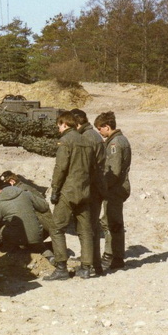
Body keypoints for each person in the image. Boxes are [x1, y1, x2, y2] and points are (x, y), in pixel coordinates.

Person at [46, 111, 99, 280]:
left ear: (65, 124)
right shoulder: (87, 141)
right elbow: (93, 169)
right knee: (85, 229)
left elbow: (61, 168)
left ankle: (61, 267)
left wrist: (55, 189)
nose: (58, 129)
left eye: (59, 125)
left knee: (56, 227)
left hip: (68, 191)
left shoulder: (65, 141)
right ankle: (86, 267)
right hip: (85, 191)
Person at [94, 111, 132, 271]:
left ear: (106, 127)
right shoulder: (121, 140)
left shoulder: (115, 144)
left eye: (100, 129)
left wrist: (102, 187)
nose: (100, 133)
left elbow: (114, 171)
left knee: (112, 222)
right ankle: (115, 255)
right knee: (110, 221)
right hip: (119, 187)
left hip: (115, 189)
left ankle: (113, 256)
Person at [73, 108, 107, 276]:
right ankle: (95, 264)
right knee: (91, 227)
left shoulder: (85, 138)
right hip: (97, 187)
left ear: (78, 123)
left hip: (91, 188)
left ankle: (92, 265)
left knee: (87, 228)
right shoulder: (94, 135)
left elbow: (84, 167)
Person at [0, 178, 50, 252]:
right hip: (37, 235)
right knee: (38, 247)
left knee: (2, 231)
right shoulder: (26, 193)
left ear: (0, 191)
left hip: (20, 239)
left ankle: (14, 252)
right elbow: (44, 206)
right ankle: (48, 255)